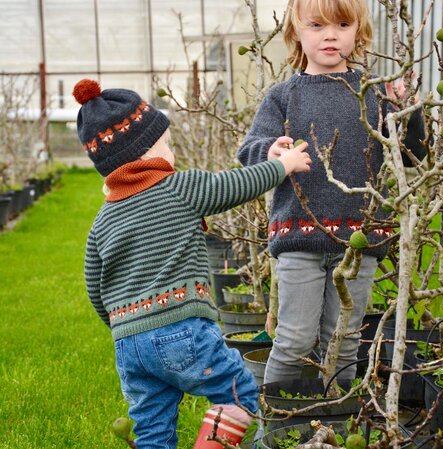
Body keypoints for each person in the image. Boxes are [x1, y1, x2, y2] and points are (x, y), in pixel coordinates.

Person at [72, 78, 310, 449]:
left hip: (128, 343)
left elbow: (94, 285)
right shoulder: (178, 187)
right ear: (142, 153)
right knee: (237, 395)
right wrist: (282, 165)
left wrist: (124, 326)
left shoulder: (102, 220)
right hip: (180, 329)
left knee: (152, 427)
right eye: (166, 144)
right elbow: (235, 186)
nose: (172, 152)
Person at [237, 0, 425, 384]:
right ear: (295, 31)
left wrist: (411, 109)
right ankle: (272, 425)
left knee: (343, 340)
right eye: (317, 24)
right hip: (298, 236)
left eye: (343, 24)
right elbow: (248, 151)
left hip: (360, 239)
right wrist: (273, 152)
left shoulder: (374, 93)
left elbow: (414, 152)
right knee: (293, 338)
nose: (330, 34)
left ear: (359, 30)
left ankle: (333, 419)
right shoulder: (283, 97)